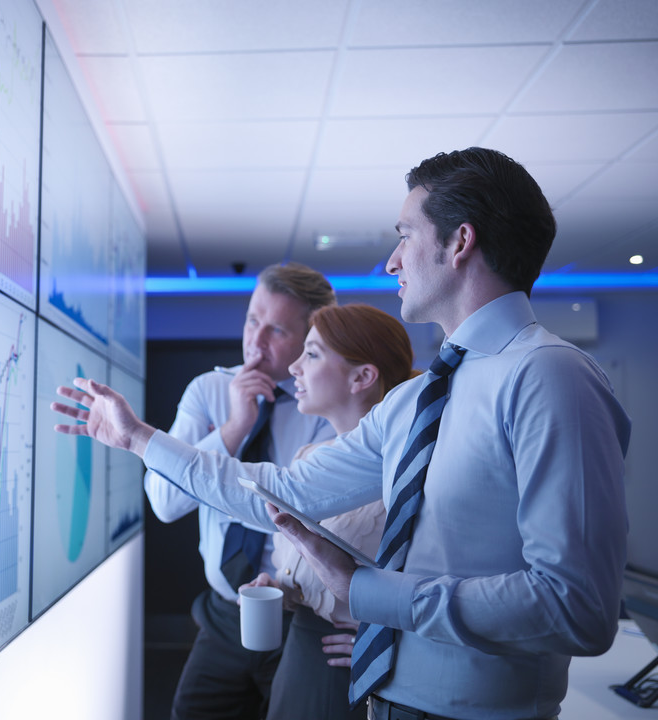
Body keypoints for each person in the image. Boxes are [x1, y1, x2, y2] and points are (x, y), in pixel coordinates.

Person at [53, 147, 632, 720]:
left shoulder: (550, 377)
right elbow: (282, 489)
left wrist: (372, 595)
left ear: (460, 243)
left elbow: (576, 608)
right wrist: (138, 439)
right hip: (385, 700)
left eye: (405, 235)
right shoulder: (414, 400)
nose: (391, 261)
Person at [144, 262, 337, 719]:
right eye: (253, 320)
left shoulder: (327, 405)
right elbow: (166, 503)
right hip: (224, 615)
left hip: (302, 618)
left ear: (310, 338)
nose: (255, 341)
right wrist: (233, 427)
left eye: (275, 330)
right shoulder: (208, 390)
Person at [246, 303, 416, 720]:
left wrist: (396, 640)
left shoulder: (406, 474)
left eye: (313, 354)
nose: (294, 368)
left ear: (363, 377)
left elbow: (435, 587)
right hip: (299, 658)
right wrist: (281, 588)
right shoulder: (309, 457)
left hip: (356, 669)